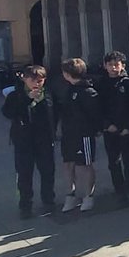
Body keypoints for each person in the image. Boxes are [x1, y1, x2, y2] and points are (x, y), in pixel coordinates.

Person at [2, 65, 56, 218]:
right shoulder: (16, 95)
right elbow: (8, 112)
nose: (37, 83)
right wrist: (27, 99)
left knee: (47, 170)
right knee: (24, 173)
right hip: (23, 139)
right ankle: (25, 204)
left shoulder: (48, 95)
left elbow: (55, 113)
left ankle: (48, 200)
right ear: (24, 79)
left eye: (40, 80)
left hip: (44, 138)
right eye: (33, 80)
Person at [97, 51, 129, 207]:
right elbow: (98, 108)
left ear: (122, 65)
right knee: (113, 162)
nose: (113, 68)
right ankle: (120, 190)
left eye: (116, 64)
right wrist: (106, 125)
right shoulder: (101, 84)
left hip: (127, 129)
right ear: (105, 66)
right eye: (110, 65)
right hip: (110, 129)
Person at [57, 58, 101, 213]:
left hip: (83, 135)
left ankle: (88, 195)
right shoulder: (67, 89)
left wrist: (95, 129)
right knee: (68, 164)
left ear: (68, 73)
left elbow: (95, 114)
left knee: (84, 165)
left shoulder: (87, 91)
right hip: (68, 134)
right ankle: (71, 194)